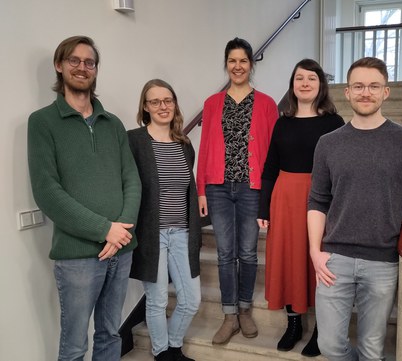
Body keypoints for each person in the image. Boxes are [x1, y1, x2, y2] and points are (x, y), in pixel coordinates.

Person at [307, 56, 402, 361]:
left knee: (371, 350)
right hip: (334, 260)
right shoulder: (328, 144)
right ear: (347, 92)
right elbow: (317, 201)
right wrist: (315, 251)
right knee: (329, 346)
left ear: (386, 92)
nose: (365, 92)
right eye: (358, 85)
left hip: (382, 263)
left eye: (373, 86)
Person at [27, 35, 142, 361]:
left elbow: (131, 179)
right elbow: (47, 192)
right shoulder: (42, 123)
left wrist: (122, 232)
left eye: (89, 62)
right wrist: (105, 229)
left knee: (110, 334)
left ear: (96, 69)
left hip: (122, 250)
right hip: (77, 257)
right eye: (74, 61)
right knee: (75, 344)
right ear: (59, 66)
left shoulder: (113, 124)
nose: (82, 67)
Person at [257, 58, 344, 357]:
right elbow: (270, 167)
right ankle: (293, 324)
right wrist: (263, 207)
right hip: (284, 198)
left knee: (319, 261)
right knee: (289, 258)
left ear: (321, 84)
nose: (305, 83)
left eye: (311, 78)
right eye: (299, 79)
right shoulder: (283, 121)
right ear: (292, 85)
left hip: (321, 198)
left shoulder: (334, 122)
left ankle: (321, 329)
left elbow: (342, 169)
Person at [196, 37, 278, 345]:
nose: (238, 66)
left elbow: (271, 154)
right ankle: (229, 315)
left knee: (247, 252)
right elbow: (204, 150)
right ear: (226, 64)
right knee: (225, 253)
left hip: (250, 189)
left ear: (251, 64)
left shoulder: (267, 104)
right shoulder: (212, 103)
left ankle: (245, 309)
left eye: (243, 60)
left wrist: (268, 197)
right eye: (232, 61)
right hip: (217, 188)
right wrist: (202, 190)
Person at [128, 79, 201, 361]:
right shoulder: (134, 140)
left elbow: (186, 189)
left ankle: (173, 346)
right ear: (145, 107)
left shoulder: (185, 145)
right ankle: (162, 354)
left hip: (182, 232)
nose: (163, 106)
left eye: (168, 100)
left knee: (191, 299)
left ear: (174, 104)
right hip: (151, 233)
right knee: (157, 300)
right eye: (155, 101)